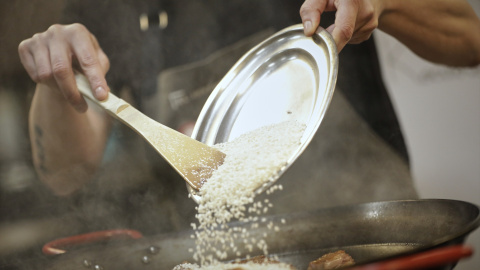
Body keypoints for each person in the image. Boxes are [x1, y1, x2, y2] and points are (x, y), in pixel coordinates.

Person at [18, 0, 480, 234]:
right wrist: (57, 81)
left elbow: (469, 35)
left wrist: (386, 3)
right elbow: (64, 173)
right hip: (231, 253)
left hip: (376, 243)